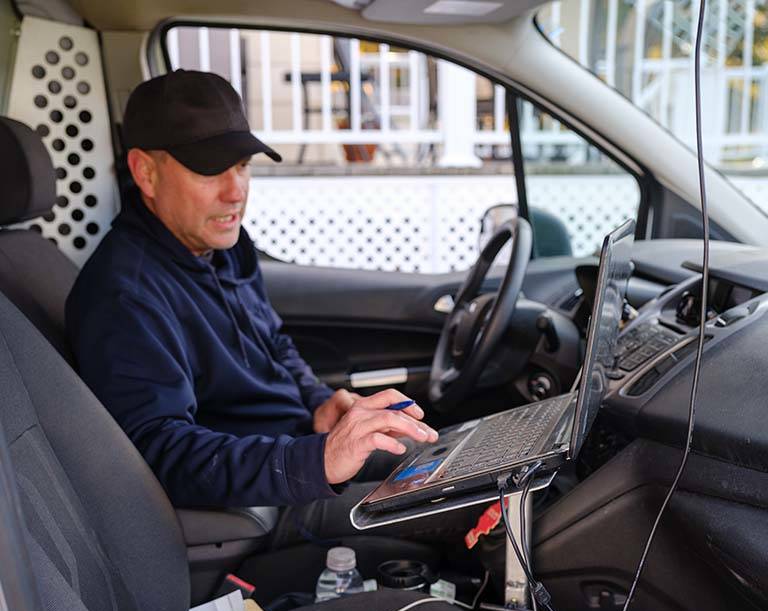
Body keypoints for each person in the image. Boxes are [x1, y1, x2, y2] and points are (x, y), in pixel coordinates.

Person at [66, 70, 477, 547]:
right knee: (475, 509)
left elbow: (274, 344)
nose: (235, 191)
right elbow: (160, 451)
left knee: (466, 465)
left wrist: (318, 403)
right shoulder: (126, 296)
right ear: (146, 173)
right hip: (258, 505)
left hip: (292, 450)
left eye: (242, 165)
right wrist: (314, 461)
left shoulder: (222, 246)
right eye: (209, 170)